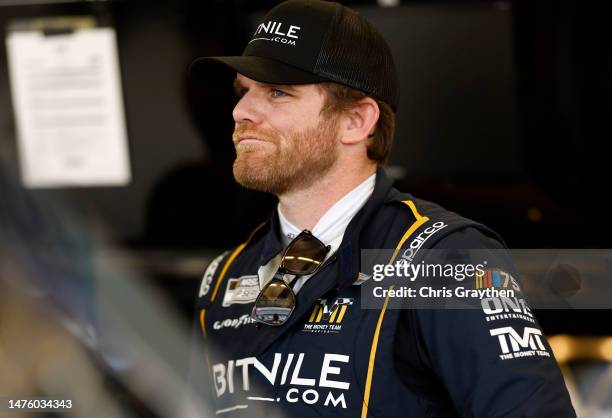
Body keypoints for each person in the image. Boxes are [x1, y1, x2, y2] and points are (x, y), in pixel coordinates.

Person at [187, 1, 577, 417]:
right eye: (243, 92)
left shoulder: (442, 260)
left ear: (356, 121)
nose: (240, 112)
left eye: (278, 92)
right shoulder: (223, 277)